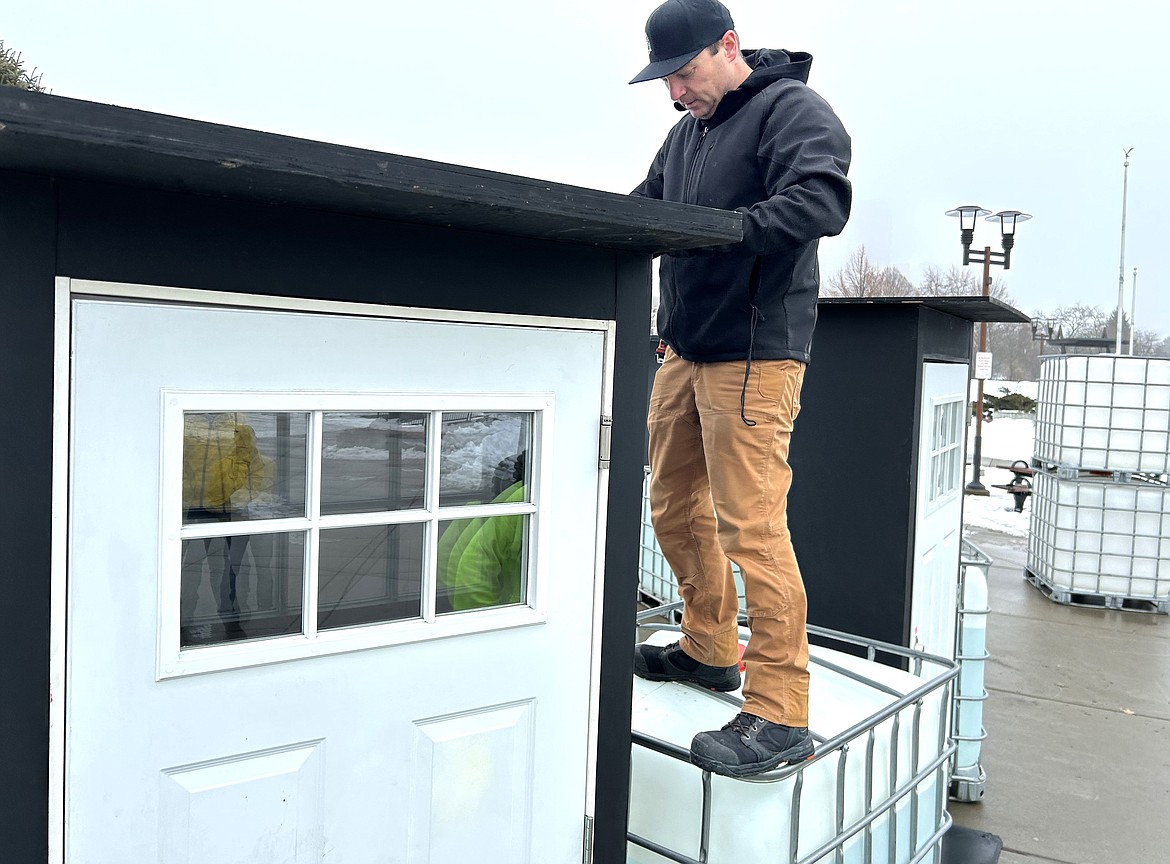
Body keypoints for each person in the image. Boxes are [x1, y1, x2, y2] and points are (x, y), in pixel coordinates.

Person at [628, 0, 851, 777]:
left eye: (684, 73)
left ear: (729, 47)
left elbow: (822, 201)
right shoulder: (685, 136)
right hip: (684, 351)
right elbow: (645, 213)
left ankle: (781, 712)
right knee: (672, 505)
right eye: (665, 79)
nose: (674, 92)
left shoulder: (791, 109)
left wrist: (722, 232)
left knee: (750, 526)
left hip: (754, 354)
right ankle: (708, 647)